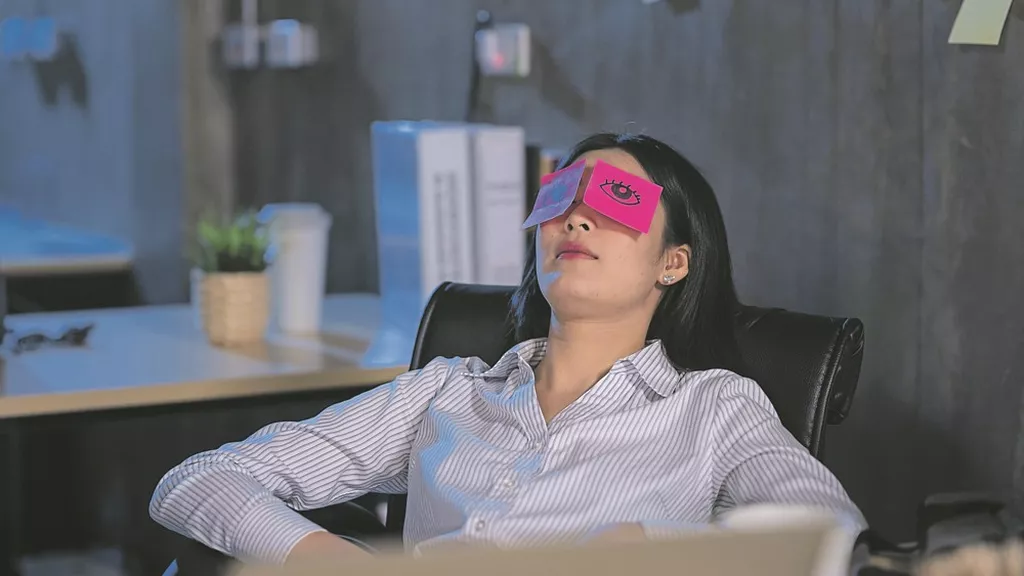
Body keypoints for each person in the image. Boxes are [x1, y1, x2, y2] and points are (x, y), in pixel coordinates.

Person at [150, 133, 866, 566]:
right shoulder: (445, 392)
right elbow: (196, 481)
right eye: (562, 198)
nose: (576, 218)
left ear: (672, 263)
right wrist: (333, 561)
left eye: (615, 200)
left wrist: (655, 551)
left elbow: (831, 533)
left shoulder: (713, 407)